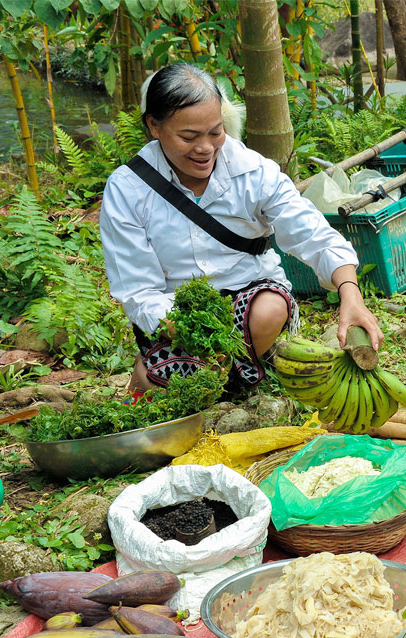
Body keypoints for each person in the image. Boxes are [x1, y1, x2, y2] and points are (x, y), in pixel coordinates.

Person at [100, 63, 383, 395]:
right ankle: (215, 371)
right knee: (164, 385)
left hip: (250, 304)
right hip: (174, 317)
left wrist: (351, 295)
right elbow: (138, 291)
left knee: (270, 309)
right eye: (189, 137)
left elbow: (313, 235)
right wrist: (187, 328)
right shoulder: (127, 189)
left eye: (215, 132)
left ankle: (202, 375)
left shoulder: (254, 173)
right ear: (154, 126)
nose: (205, 148)